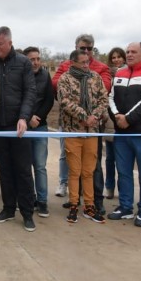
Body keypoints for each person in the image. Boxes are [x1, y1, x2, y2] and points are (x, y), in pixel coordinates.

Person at [108, 42, 141, 227]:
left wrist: (129, 119)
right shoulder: (119, 73)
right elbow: (110, 97)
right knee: (123, 172)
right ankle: (125, 207)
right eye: (128, 52)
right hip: (121, 134)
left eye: (133, 52)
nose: (129, 55)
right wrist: (117, 117)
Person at [52, 34, 112, 202]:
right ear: (75, 48)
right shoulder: (65, 68)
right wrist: (83, 115)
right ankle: (73, 200)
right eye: (82, 49)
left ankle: (94, 201)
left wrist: (94, 115)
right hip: (72, 126)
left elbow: (104, 91)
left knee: (92, 166)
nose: (86, 52)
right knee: (71, 164)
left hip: (93, 126)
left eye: (89, 49)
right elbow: (57, 87)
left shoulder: (100, 70)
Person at [0, 27, 37, 232]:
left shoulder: (23, 62)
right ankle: (8, 208)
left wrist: (24, 117)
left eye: (0, 44)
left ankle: (27, 213)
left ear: (9, 42)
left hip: (19, 126)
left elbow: (30, 92)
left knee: (23, 170)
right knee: (5, 169)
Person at [57, 50, 108, 224]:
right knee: (74, 171)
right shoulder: (65, 79)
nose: (87, 65)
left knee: (88, 171)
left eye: (88, 62)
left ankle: (89, 206)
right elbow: (64, 101)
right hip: (73, 131)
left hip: (92, 132)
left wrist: (94, 116)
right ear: (73, 63)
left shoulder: (96, 77)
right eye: (83, 62)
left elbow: (104, 99)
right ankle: (73, 204)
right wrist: (83, 116)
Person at [23, 46, 54, 218]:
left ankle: (42, 201)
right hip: (24, 127)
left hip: (40, 126)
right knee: (25, 166)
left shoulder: (45, 75)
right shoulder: (21, 75)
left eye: (37, 59)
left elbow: (49, 99)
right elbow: (19, 99)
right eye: (31, 59)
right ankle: (29, 198)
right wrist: (27, 119)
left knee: (40, 166)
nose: (35, 62)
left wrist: (38, 118)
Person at [103, 47, 126, 199]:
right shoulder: (109, 76)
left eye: (119, 57)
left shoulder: (127, 74)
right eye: (114, 57)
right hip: (110, 122)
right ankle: (109, 187)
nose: (116, 59)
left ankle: (123, 189)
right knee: (110, 158)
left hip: (124, 121)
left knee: (123, 161)